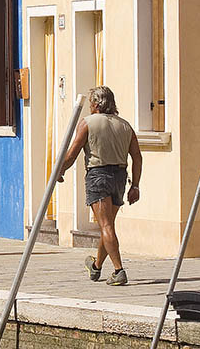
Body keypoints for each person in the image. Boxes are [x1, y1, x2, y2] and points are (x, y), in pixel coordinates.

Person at [56, 86, 141, 286]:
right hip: (120, 176)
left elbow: (72, 153)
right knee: (108, 224)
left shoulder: (87, 123)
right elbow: (137, 157)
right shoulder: (125, 125)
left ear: (95, 104)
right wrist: (135, 185)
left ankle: (119, 271)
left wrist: (60, 171)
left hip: (98, 175)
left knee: (106, 225)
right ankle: (96, 267)